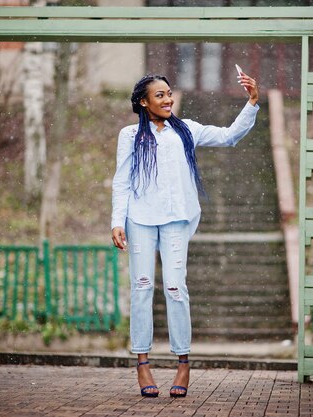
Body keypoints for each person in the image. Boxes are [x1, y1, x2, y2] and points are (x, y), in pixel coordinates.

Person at [111, 71, 259, 398]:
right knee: (142, 287)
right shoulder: (129, 135)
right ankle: (143, 363)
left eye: (168, 94)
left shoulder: (186, 130)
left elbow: (229, 136)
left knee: (176, 288)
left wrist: (251, 102)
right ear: (143, 102)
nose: (167, 99)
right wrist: (116, 221)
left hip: (177, 218)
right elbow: (121, 182)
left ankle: (183, 362)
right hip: (140, 219)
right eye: (160, 95)